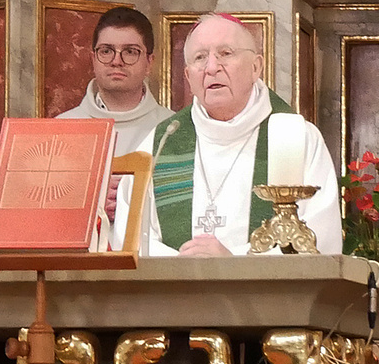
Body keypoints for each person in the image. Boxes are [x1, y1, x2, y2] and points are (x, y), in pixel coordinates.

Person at [132, 14, 340, 259]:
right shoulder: (161, 142)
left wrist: (234, 262)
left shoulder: (299, 138)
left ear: (256, 67)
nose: (211, 68)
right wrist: (183, 264)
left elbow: (319, 239)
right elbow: (132, 237)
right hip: (176, 283)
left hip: (265, 285)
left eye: (225, 53)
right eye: (200, 57)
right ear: (188, 77)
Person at [58, 7, 172, 154]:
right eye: (106, 51)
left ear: (149, 63)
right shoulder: (60, 129)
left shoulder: (173, 129)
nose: (116, 61)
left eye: (130, 51)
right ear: (93, 59)